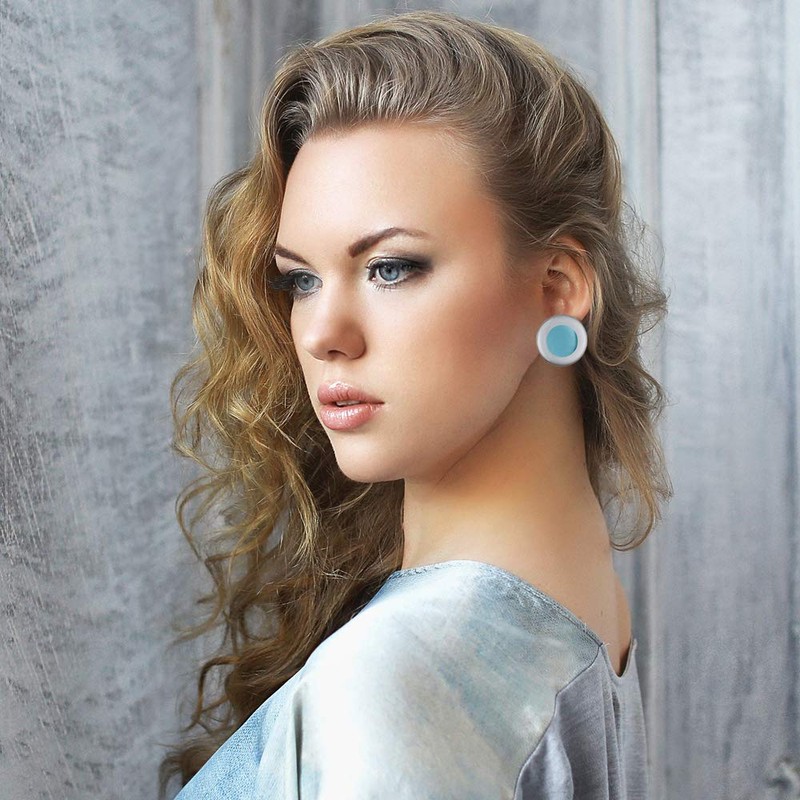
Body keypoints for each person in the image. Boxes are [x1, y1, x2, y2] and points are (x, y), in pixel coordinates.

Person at [159, 8, 673, 799]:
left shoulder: (396, 678)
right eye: (301, 279)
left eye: (390, 268)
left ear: (558, 287)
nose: (322, 334)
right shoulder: (576, 616)